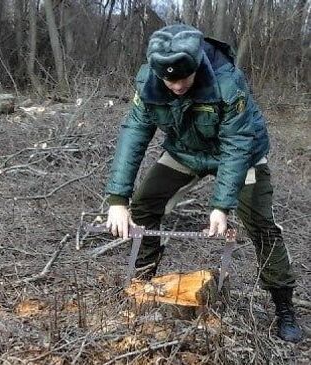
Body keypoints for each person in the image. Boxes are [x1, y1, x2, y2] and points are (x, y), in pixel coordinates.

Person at [104, 24, 303, 343]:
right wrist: (117, 199)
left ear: (197, 66)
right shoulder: (148, 82)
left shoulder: (227, 82)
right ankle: (144, 281)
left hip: (241, 154)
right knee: (144, 204)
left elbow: (236, 143)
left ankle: (284, 308)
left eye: (184, 78)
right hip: (186, 151)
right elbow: (134, 133)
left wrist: (221, 206)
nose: (177, 86)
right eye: (170, 80)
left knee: (261, 226)